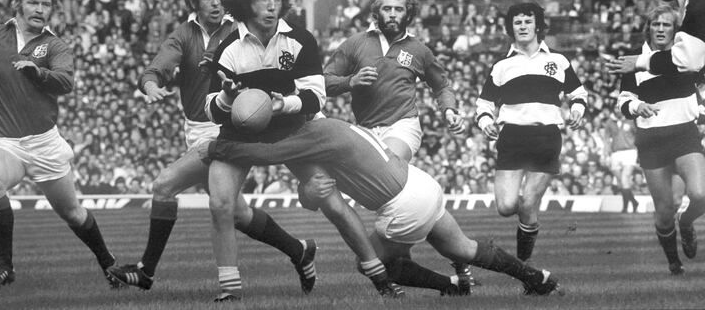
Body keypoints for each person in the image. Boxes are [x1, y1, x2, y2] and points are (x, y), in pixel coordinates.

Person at [106, 0, 317, 293]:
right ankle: (299, 251)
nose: (216, 3)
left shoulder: (244, 29)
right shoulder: (184, 35)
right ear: (193, 1)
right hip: (198, 127)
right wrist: (150, 85)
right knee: (236, 212)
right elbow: (158, 67)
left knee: (164, 185)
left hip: (231, 129)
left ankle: (147, 271)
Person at [204, 0, 401, 301]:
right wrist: (225, 97)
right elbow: (209, 108)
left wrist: (283, 106)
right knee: (220, 204)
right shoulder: (226, 45)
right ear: (245, 2)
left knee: (332, 202)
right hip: (239, 136)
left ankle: (380, 277)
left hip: (292, 131)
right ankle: (230, 290)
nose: (271, 5)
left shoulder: (300, 39)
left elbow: (316, 95)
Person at [199, 117, 563, 297]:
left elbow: (266, 154)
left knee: (371, 261)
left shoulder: (312, 135)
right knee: (463, 247)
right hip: (421, 183)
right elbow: (313, 190)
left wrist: (216, 149)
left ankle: (450, 286)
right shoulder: (331, 125)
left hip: (402, 203)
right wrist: (308, 194)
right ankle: (536, 277)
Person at [0, 0, 119, 288]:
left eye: (46, 4)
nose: (40, 9)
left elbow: (66, 81)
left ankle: (108, 264)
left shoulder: (55, 45)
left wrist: (38, 73)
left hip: (44, 144)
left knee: (72, 213)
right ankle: (5, 266)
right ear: (18, 4)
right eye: (33, 2)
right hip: (4, 141)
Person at [323, 0, 470, 279]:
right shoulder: (355, 44)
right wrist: (349, 81)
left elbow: (441, 85)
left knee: (390, 175)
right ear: (377, 12)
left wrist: (450, 110)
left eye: (398, 9)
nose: (392, 14)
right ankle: (450, 255)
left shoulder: (418, 50)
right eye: (387, 8)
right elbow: (323, 81)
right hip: (364, 131)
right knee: (393, 198)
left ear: (408, 14)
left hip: (402, 125)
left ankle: (412, 251)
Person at [475, 1, 587, 263]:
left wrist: (578, 110)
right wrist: (485, 121)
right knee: (505, 207)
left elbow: (578, 93)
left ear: (537, 25)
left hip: (546, 138)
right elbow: (484, 103)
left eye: (528, 21)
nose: (523, 26)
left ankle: (524, 262)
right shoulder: (502, 65)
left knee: (528, 205)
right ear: (510, 29)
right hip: (512, 137)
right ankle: (527, 220)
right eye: (517, 22)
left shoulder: (558, 60)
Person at [616, 4, 705, 274]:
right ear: (649, 29)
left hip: (684, 134)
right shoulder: (635, 63)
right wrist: (635, 107)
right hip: (651, 140)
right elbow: (623, 101)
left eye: (667, 24)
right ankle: (673, 263)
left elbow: (702, 88)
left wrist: (701, 113)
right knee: (665, 210)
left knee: (700, 193)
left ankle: (687, 223)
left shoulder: (687, 58)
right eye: (657, 24)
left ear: (675, 29)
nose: (661, 29)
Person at [601, 112, 639, 213]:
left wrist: (639, 152)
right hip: (615, 153)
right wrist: (606, 154)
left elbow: (638, 135)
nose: (617, 110)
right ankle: (634, 202)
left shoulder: (631, 120)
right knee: (620, 182)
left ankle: (625, 207)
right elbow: (606, 139)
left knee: (624, 178)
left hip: (629, 152)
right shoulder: (610, 122)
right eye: (615, 108)